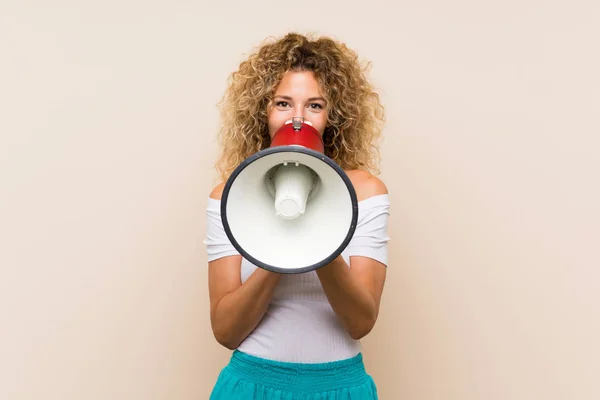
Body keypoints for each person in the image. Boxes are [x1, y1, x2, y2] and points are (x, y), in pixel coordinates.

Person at [203, 32, 390, 399]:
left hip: (338, 387)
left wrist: (318, 236)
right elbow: (225, 330)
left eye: (315, 105)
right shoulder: (229, 196)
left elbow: (361, 321)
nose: (299, 119)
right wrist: (279, 243)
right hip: (252, 385)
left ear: (333, 116)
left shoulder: (366, 192)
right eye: (284, 103)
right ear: (263, 111)